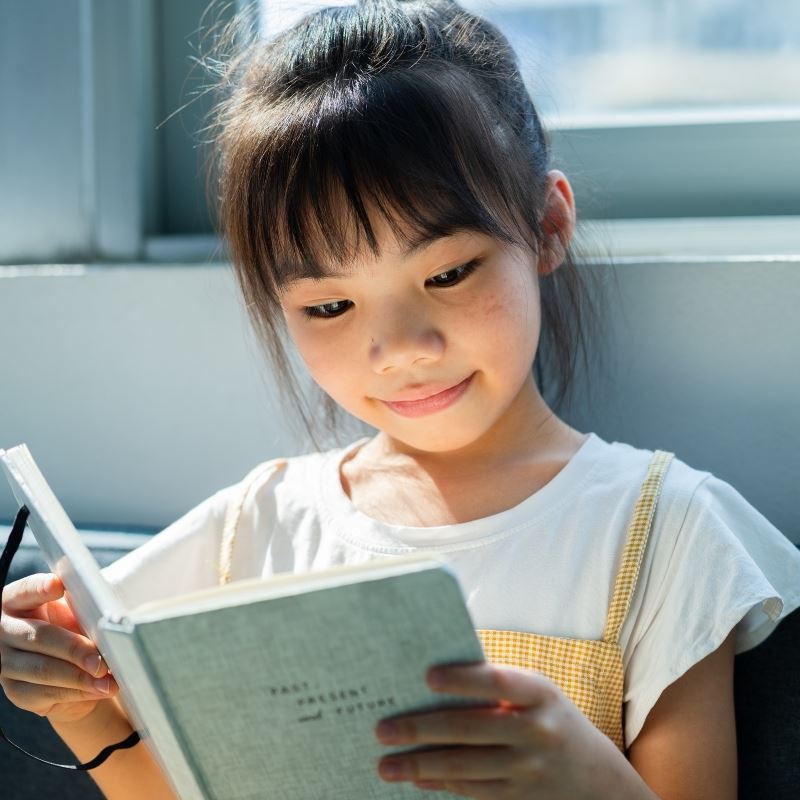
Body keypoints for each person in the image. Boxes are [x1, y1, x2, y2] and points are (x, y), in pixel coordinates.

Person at [2, 1, 799, 798]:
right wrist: (71, 697)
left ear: (548, 225)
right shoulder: (257, 527)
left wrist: (586, 778)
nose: (400, 352)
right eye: (329, 307)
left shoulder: (663, 529)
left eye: (448, 274)